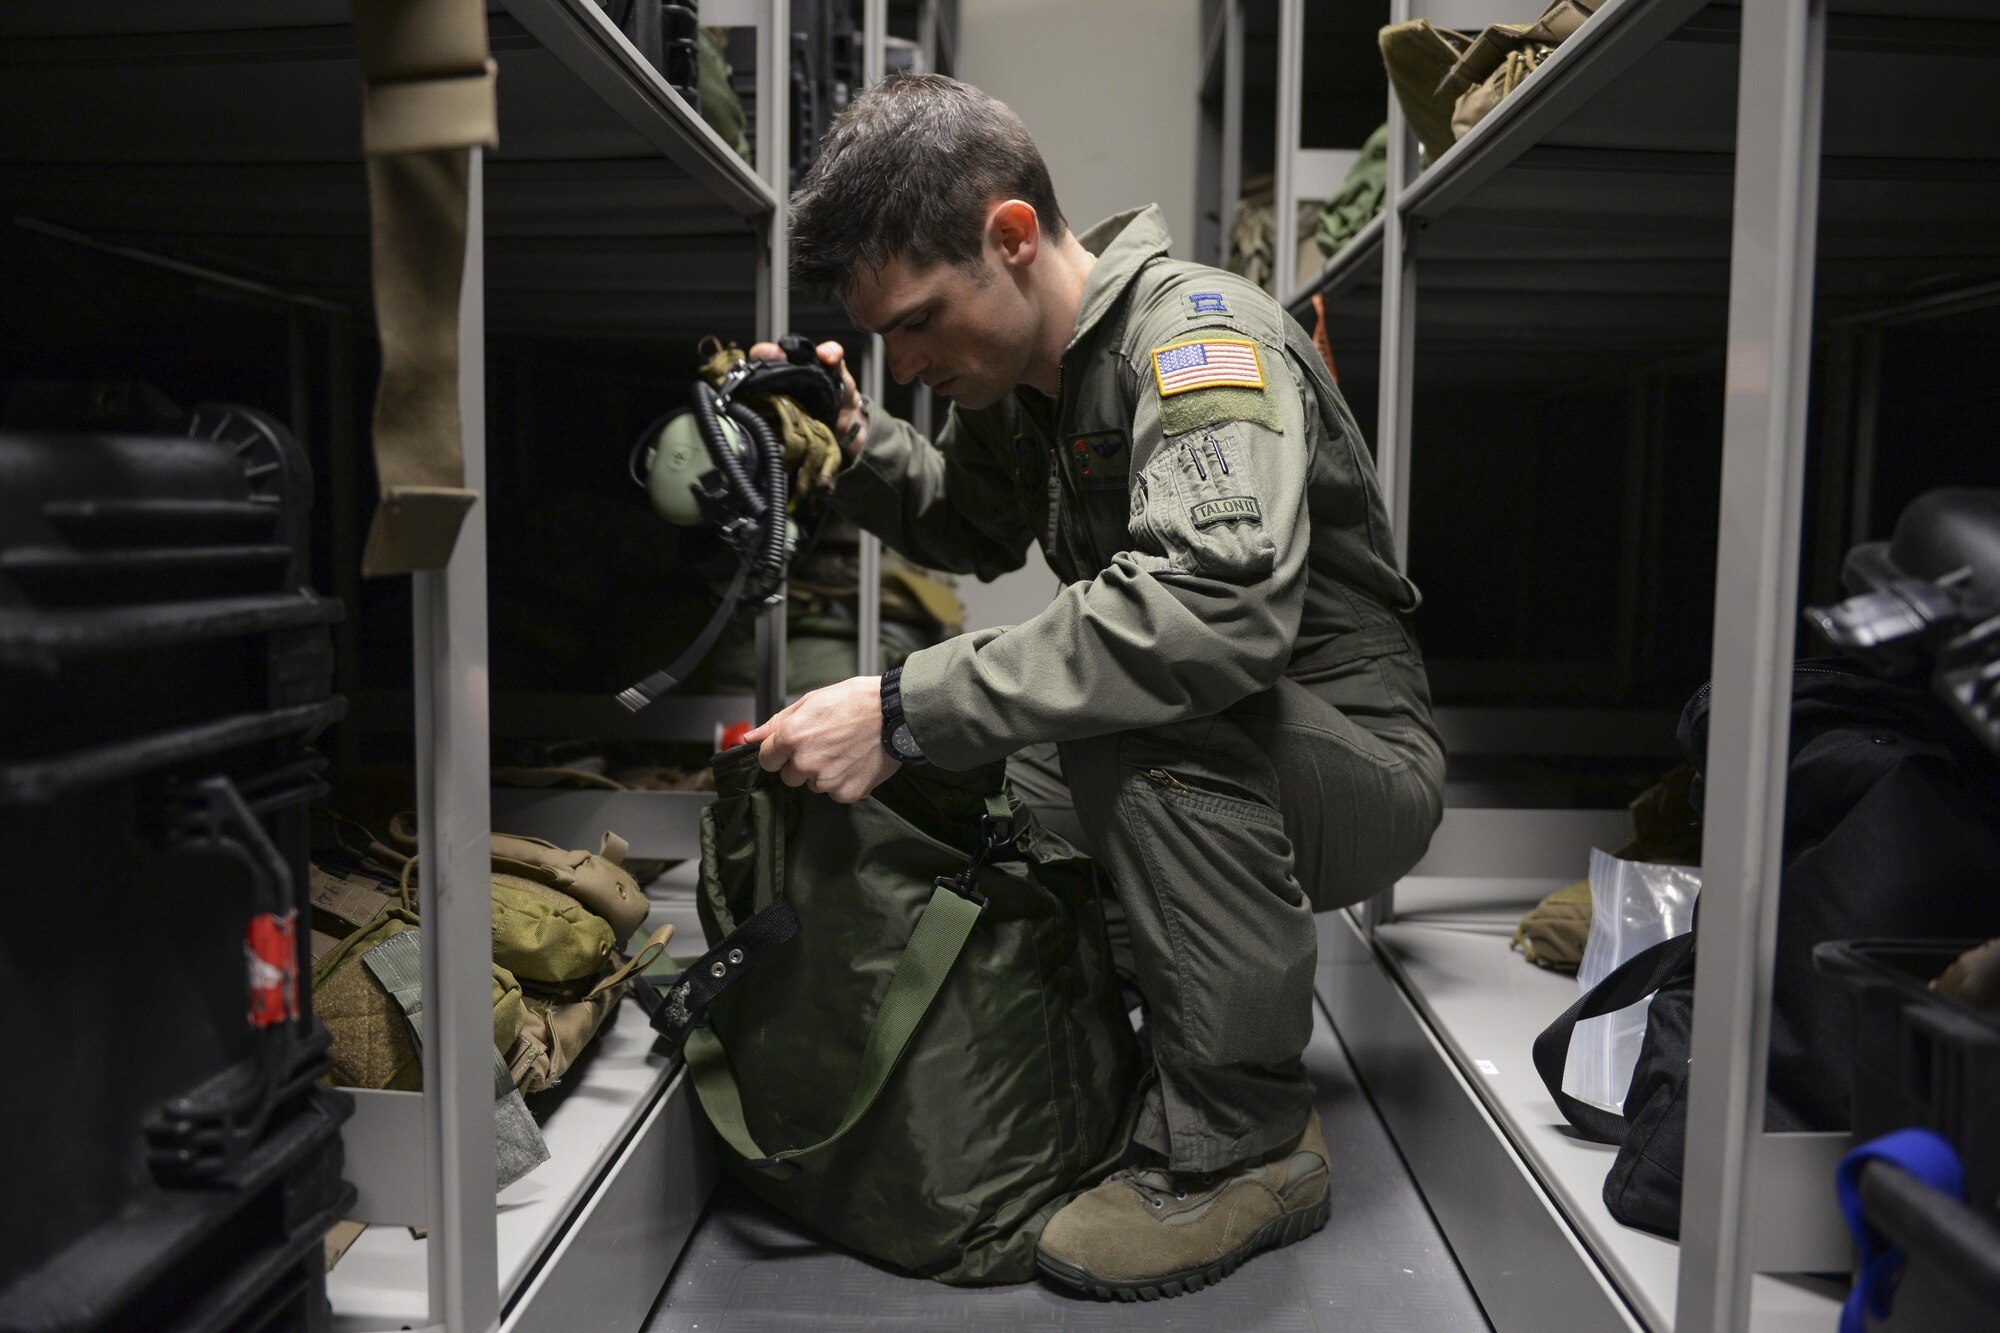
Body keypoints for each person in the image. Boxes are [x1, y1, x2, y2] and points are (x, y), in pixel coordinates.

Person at [742, 72, 1445, 1300]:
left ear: (1010, 238)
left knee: (1119, 724)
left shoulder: (1194, 338)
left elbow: (1207, 616)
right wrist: (853, 447)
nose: (904, 363)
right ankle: (1103, 1068)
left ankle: (1245, 1142)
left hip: (1359, 759)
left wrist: (902, 706)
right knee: (995, 780)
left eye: (913, 322)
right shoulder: (1038, 378)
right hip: (1244, 738)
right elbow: (968, 524)